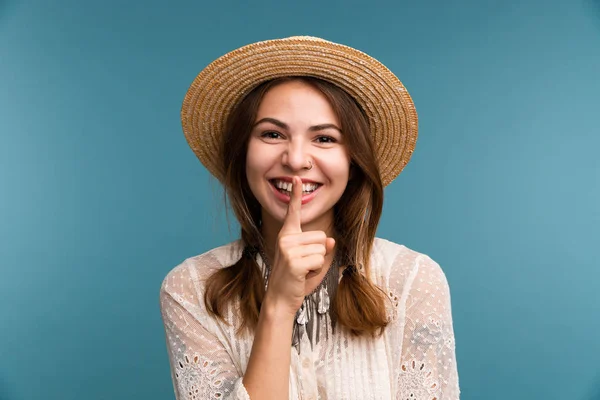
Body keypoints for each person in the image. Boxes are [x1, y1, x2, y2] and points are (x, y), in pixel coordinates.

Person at [159, 36, 460, 400]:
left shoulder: (413, 281)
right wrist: (278, 305)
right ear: (243, 152)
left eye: (325, 139)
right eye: (272, 134)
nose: (297, 159)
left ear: (353, 160)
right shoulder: (191, 289)